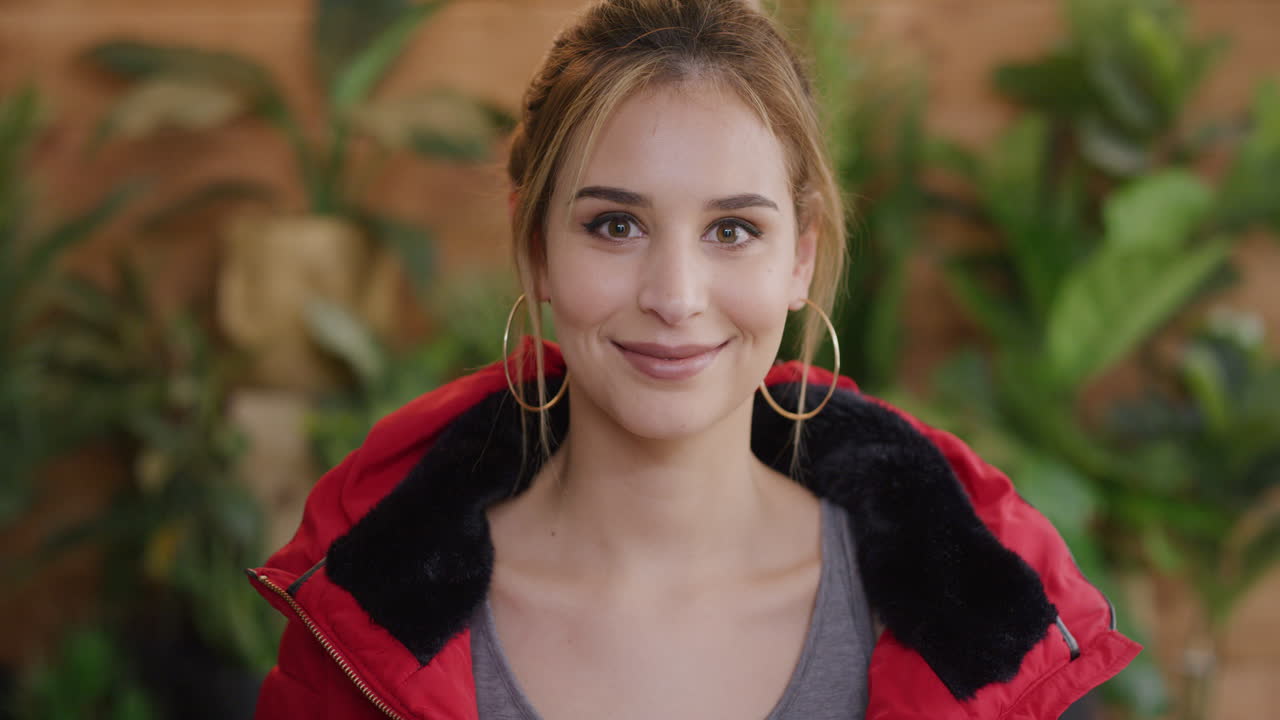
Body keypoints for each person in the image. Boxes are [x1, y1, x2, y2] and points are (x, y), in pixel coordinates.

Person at [247, 1, 1140, 718]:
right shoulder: (362, 622)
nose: (675, 296)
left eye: (732, 230)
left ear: (800, 256)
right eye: (616, 225)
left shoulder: (983, 627)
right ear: (534, 248)